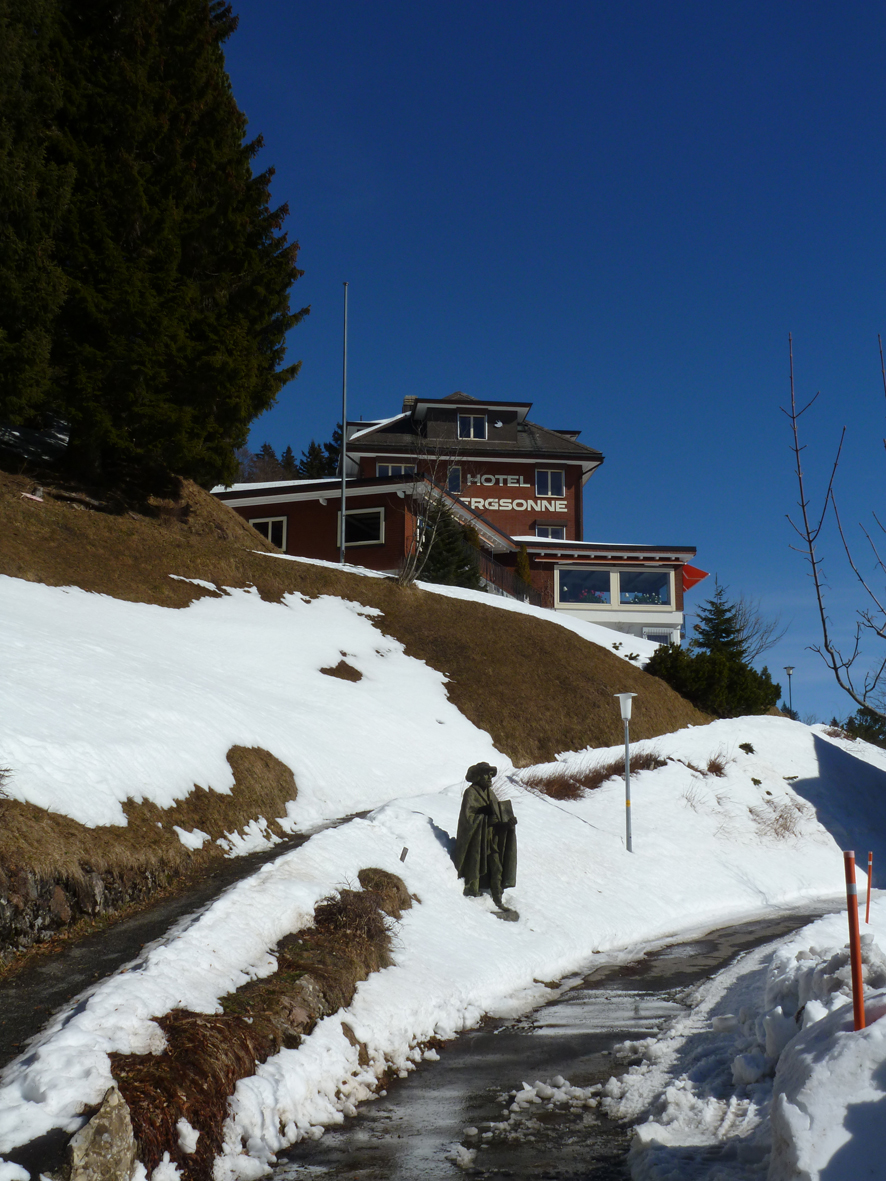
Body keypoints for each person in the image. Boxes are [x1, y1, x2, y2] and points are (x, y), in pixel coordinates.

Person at [453, 762, 518, 918]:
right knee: (478, 865)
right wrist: (484, 815)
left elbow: (496, 818)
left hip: (491, 840)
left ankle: (498, 900)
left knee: (497, 868)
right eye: (486, 774)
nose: (489, 778)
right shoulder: (471, 793)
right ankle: (472, 891)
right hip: (477, 840)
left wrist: (506, 824)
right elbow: (467, 820)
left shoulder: (491, 793)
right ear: (477, 776)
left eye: (491, 775)